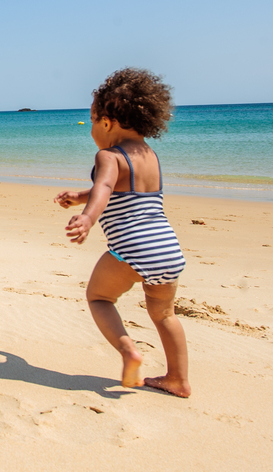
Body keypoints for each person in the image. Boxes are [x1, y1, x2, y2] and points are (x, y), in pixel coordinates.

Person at [54, 68, 190, 398]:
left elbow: (104, 186)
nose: (91, 129)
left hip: (132, 248)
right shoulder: (149, 155)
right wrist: (81, 196)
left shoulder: (108, 155)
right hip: (168, 249)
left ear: (108, 119)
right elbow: (122, 191)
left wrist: (87, 217)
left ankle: (128, 350)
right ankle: (178, 380)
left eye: (91, 120)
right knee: (164, 314)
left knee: (99, 297)